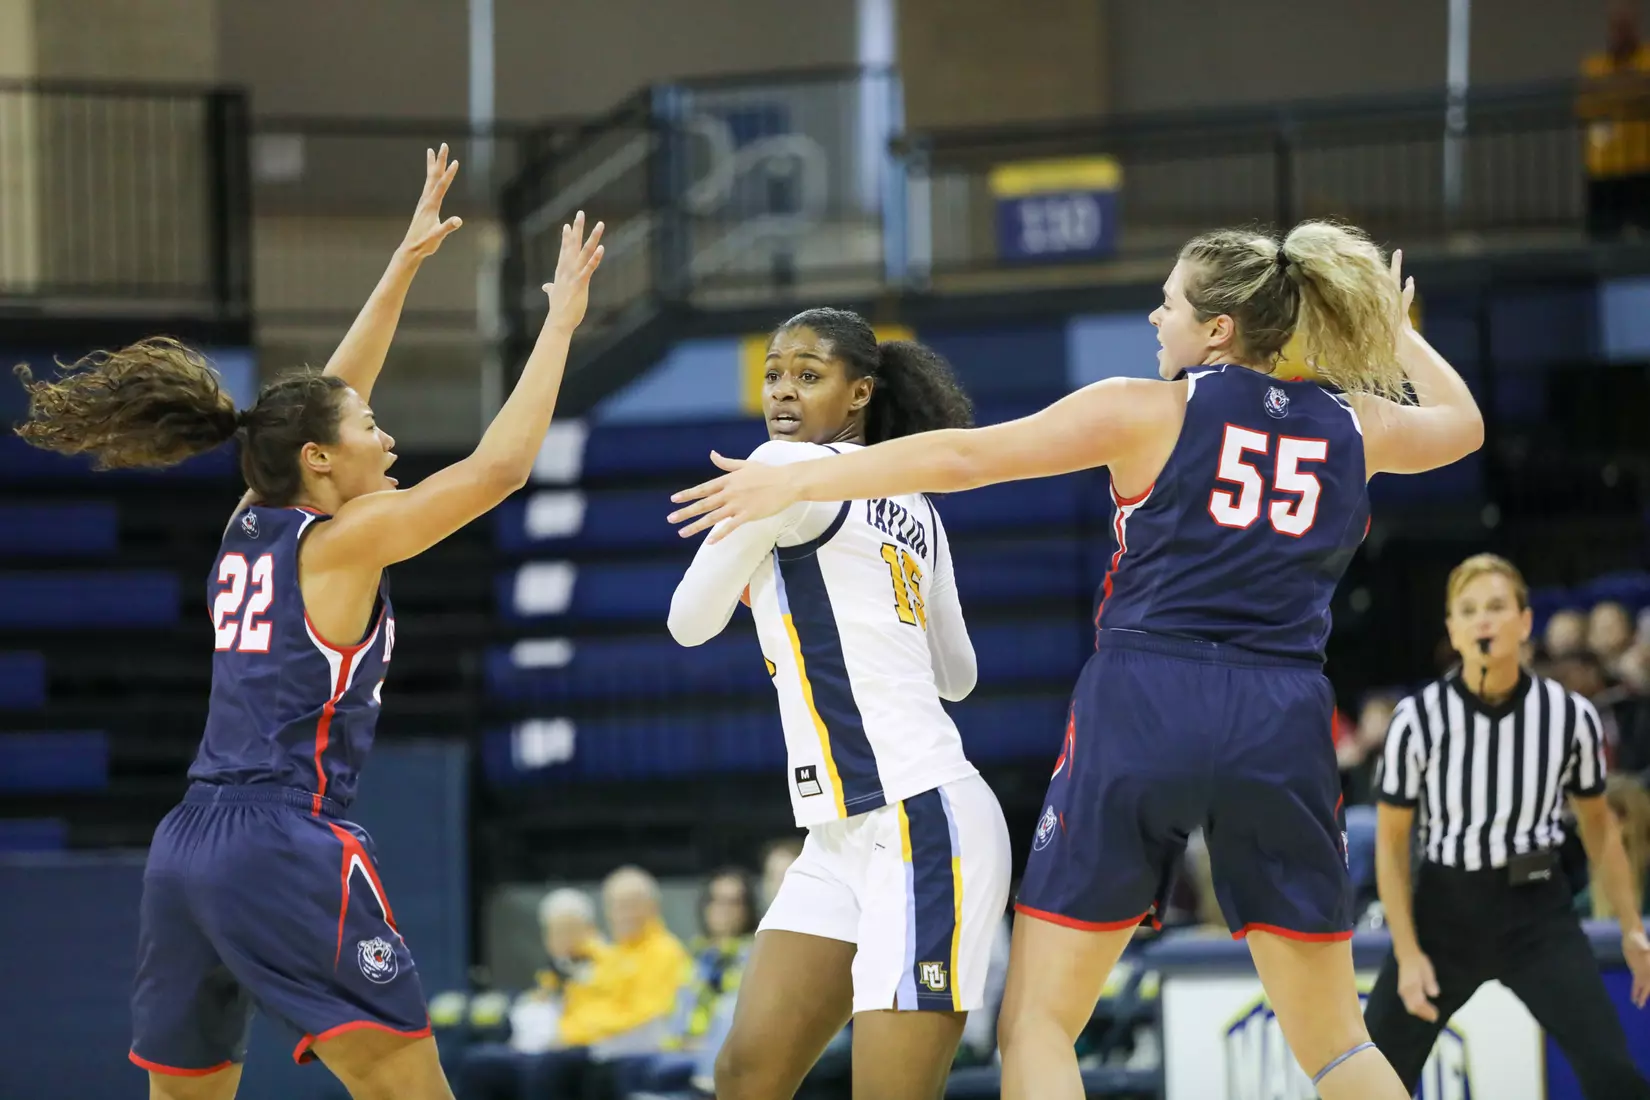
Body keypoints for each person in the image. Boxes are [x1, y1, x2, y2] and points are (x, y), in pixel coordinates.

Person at [669, 223, 1486, 1100]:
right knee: (1335, 1043)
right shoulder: (1357, 425)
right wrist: (1396, 334)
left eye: (1169, 304)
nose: (1155, 317)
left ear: (1217, 330)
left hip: (1150, 693)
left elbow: (965, 457)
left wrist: (799, 477)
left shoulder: (1147, 409)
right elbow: (1465, 427)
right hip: (1282, 713)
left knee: (1039, 1025)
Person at [12, 146, 604, 1100]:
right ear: (323, 461)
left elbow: (315, 404)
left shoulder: (252, 518)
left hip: (187, 845)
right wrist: (562, 323)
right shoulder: (345, 540)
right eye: (372, 428)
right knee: (410, 1091)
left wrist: (401, 267)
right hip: (280, 839)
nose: (389, 436)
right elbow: (498, 470)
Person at [666, 308, 1014, 1100]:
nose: (783, 392)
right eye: (773, 375)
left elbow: (689, 622)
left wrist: (762, 576)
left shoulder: (781, 468)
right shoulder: (914, 499)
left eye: (808, 374)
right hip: (839, 833)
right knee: (746, 1075)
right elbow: (958, 674)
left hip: (920, 817)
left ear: (860, 393)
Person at [1368, 553, 1650, 1099]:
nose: (1483, 620)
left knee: (1614, 1074)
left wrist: (1632, 927)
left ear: (1524, 622)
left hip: (1537, 914)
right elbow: (1392, 843)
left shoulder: (1569, 716)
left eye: (1496, 606)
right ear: (1452, 629)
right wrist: (1406, 951)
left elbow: (1599, 830)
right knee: (1369, 1077)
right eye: (1468, 610)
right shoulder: (1417, 719)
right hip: (1443, 916)